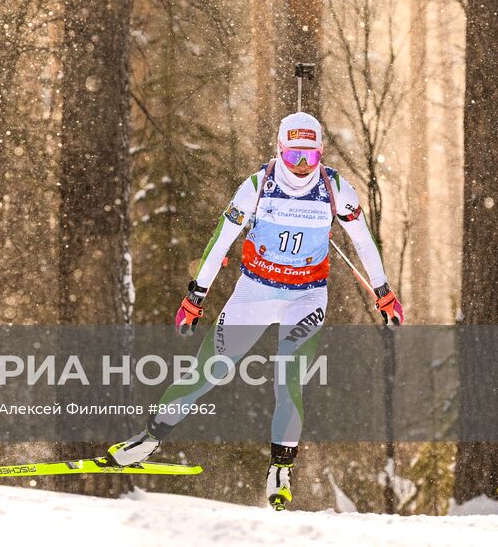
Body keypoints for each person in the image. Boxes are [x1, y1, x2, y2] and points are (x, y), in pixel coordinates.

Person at [107, 111, 404, 510]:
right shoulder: (256, 188)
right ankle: (150, 437)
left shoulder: (335, 190)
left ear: (321, 155)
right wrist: (195, 297)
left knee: (290, 379)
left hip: (306, 297)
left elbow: (364, 243)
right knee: (207, 370)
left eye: (310, 158)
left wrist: (384, 294)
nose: (301, 167)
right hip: (254, 293)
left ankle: (280, 468)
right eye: (294, 156)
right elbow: (219, 242)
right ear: (279, 150)